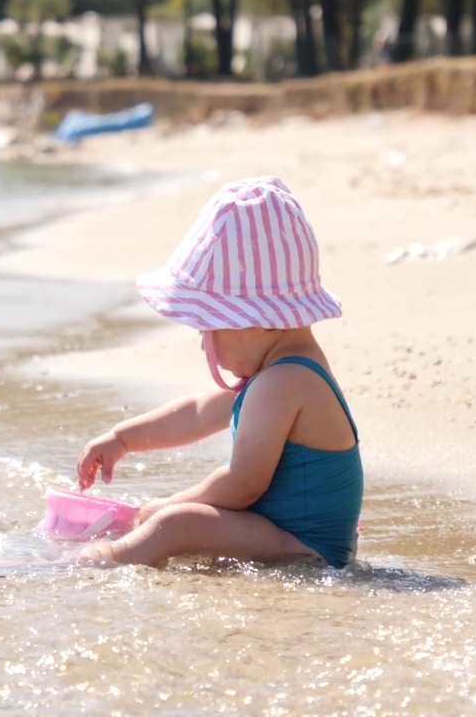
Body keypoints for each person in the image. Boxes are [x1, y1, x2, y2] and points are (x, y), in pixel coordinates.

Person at [75, 176, 362, 569]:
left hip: (306, 548)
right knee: (174, 519)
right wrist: (121, 439)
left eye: (208, 325)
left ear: (257, 321)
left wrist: (163, 509)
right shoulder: (282, 372)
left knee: (177, 524)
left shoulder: (284, 382)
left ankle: (99, 561)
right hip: (284, 531)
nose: (202, 341)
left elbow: (243, 486)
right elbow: (197, 413)